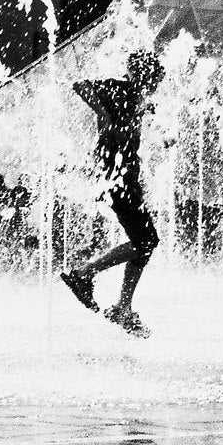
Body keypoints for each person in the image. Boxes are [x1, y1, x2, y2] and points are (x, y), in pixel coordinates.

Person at [61, 50, 164, 337]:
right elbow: (80, 85)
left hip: (127, 178)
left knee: (145, 243)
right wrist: (105, 116)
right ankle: (83, 274)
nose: (155, 86)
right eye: (153, 79)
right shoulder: (119, 88)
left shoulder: (137, 100)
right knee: (146, 241)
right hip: (116, 179)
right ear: (141, 75)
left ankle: (123, 307)